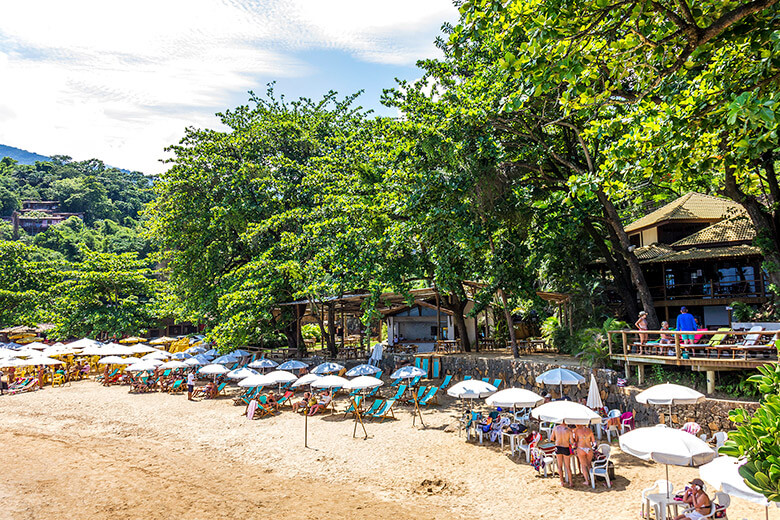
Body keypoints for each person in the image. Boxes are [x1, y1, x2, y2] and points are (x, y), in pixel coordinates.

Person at [550, 423, 574, 487]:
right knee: (568, 466)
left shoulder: (555, 428)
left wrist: (557, 439)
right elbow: (572, 441)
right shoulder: (569, 430)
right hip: (565, 447)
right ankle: (571, 482)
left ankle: (562, 482)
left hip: (558, 446)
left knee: (559, 466)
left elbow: (551, 438)